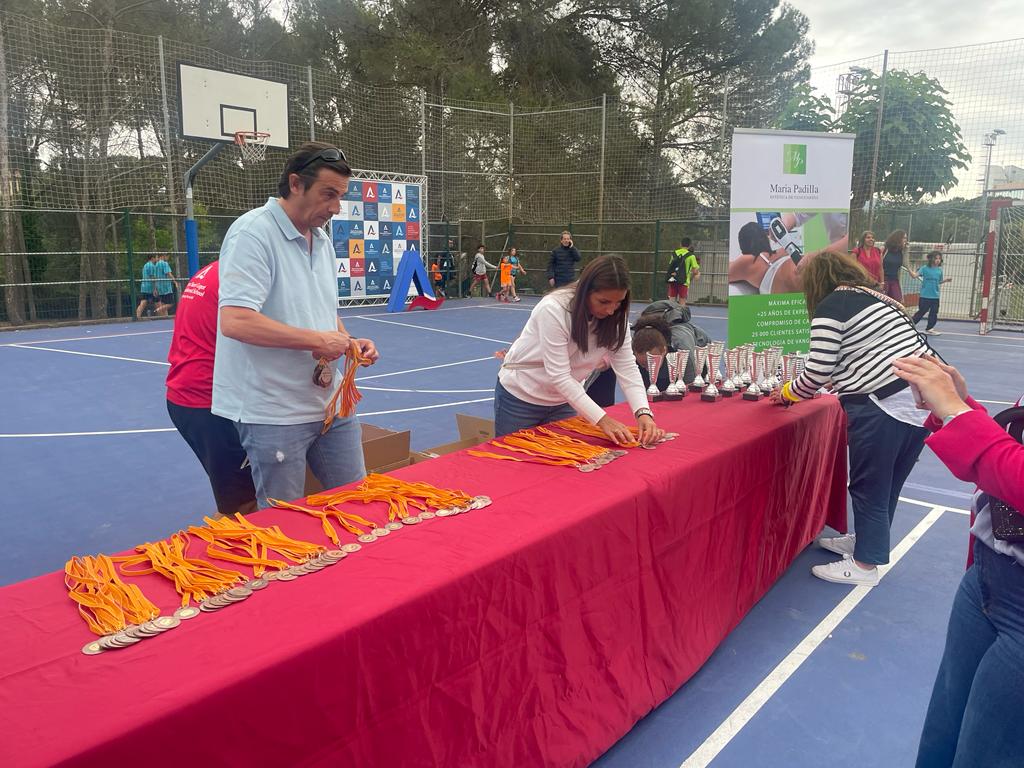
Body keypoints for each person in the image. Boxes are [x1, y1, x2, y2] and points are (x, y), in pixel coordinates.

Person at [212, 142, 380, 508]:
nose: (336, 207)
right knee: (285, 522)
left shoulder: (320, 239)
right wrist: (315, 340)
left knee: (358, 502)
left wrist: (348, 341)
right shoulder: (253, 233)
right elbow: (236, 321)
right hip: (274, 411)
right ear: (295, 184)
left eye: (340, 197)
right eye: (328, 195)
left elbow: (319, 310)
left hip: (329, 405)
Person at [889, 356, 1024, 768]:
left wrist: (958, 414)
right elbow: (1008, 458)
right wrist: (963, 409)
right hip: (988, 575)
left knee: (986, 752)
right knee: (943, 733)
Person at [772, 251, 929, 586]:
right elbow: (871, 350)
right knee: (887, 483)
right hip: (920, 402)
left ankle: (864, 565)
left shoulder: (831, 306)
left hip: (881, 405)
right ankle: (867, 544)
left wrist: (787, 392)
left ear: (816, 281)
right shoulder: (876, 297)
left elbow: (815, 372)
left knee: (868, 484)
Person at [495, 255, 664, 446]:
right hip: (521, 398)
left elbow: (626, 367)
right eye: (604, 301)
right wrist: (602, 420)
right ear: (585, 291)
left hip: (564, 402)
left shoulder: (617, 319)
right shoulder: (553, 309)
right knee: (513, 463)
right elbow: (559, 375)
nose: (611, 310)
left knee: (562, 470)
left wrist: (643, 412)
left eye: (618, 303)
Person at [166, 261, 256, 515]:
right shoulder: (240, 277)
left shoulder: (216, 269)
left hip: (188, 395)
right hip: (208, 402)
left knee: (239, 498)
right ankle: (216, 550)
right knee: (244, 505)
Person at [912, 250, 952, 336]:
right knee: (921, 312)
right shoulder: (924, 268)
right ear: (931, 259)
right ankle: (911, 325)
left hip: (935, 296)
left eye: (939, 258)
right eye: (936, 258)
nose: (938, 260)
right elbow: (915, 275)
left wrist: (946, 280)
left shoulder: (939, 270)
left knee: (934, 313)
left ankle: (929, 328)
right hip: (925, 296)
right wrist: (912, 273)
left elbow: (939, 281)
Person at [881, 229, 916, 302]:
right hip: (884, 279)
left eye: (906, 238)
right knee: (883, 301)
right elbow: (879, 264)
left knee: (897, 301)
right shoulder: (885, 249)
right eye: (904, 238)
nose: (905, 240)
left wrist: (906, 250)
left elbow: (905, 263)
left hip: (894, 280)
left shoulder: (901, 251)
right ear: (897, 238)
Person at [666, 237, 700, 303]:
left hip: (673, 279)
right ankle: (681, 313)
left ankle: (671, 313)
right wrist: (698, 273)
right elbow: (695, 271)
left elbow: (670, 265)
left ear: (680, 244)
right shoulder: (691, 256)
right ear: (689, 245)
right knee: (682, 302)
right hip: (684, 282)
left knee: (671, 301)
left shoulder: (674, 253)